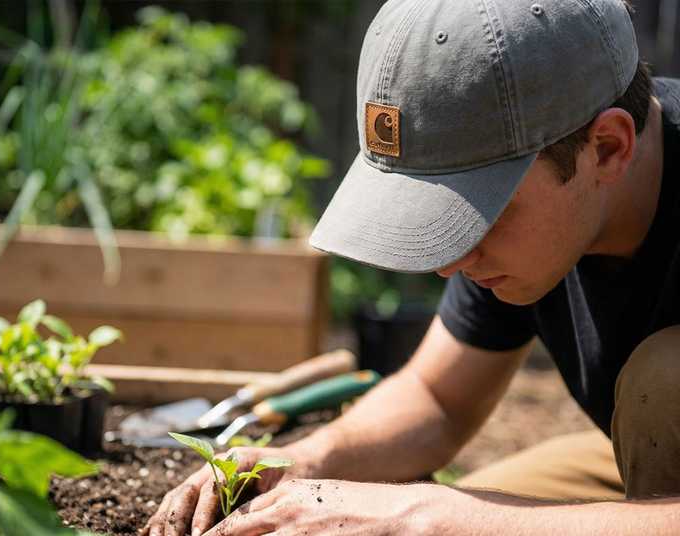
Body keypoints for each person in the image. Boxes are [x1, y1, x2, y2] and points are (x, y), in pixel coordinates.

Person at [144, 0, 680, 534]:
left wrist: (430, 517)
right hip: (633, 465)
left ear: (607, 148)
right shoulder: (548, 206)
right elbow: (437, 399)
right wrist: (300, 463)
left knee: (663, 382)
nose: (451, 262)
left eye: (479, 211)